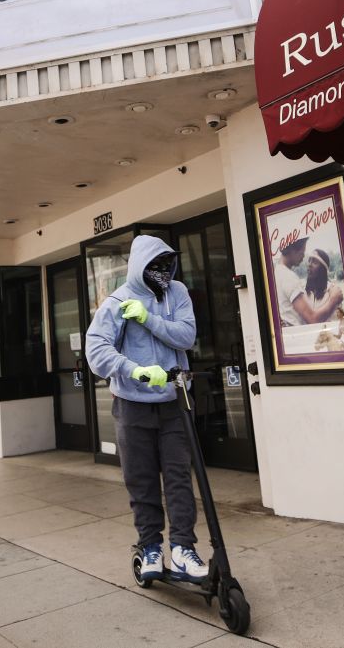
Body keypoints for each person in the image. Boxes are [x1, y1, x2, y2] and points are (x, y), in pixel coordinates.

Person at [85, 235, 208, 583]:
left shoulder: (177, 293)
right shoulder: (117, 301)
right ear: (140, 266)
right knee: (141, 482)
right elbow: (95, 350)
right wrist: (134, 370)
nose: (163, 272)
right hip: (132, 406)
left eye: (167, 265)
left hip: (175, 403)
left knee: (179, 478)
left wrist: (148, 320)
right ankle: (150, 546)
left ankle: (183, 548)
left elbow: (186, 336)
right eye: (155, 266)